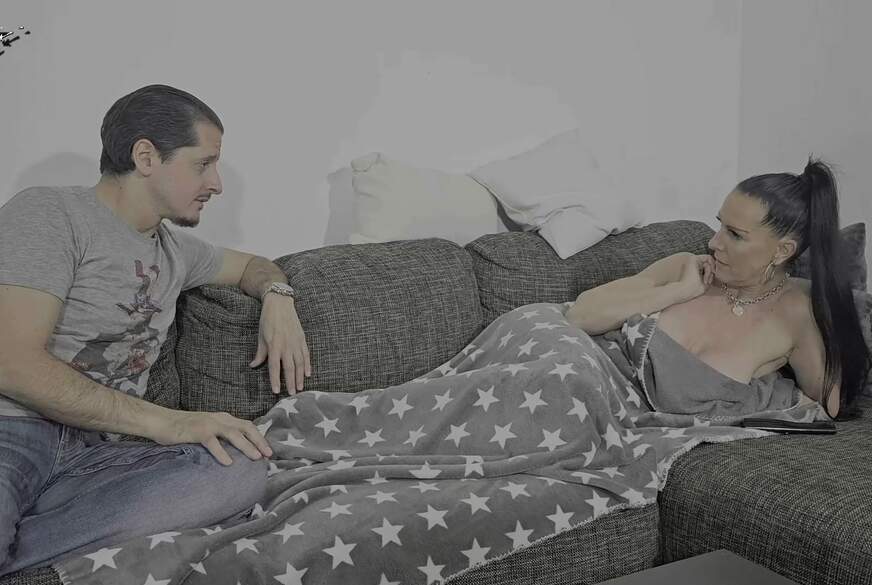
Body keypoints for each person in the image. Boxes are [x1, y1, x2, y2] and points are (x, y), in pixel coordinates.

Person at [0, 84, 312, 575]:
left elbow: (254, 266)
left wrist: (278, 297)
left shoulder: (177, 251)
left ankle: (18, 549)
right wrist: (167, 422)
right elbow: (11, 362)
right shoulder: (50, 213)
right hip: (13, 431)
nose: (217, 184)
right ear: (145, 156)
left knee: (240, 467)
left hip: (98, 457)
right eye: (203, 164)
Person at [567, 158, 870, 420]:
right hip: (574, 373)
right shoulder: (686, 267)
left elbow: (829, 405)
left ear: (782, 251)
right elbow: (580, 316)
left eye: (734, 235)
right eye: (720, 225)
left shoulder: (795, 317)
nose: (713, 243)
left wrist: (820, 304)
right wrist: (679, 291)